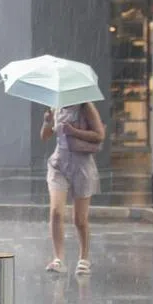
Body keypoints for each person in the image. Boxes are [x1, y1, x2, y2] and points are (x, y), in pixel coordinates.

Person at [41, 101, 105, 275]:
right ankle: (58, 259)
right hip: (58, 165)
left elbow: (99, 135)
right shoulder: (56, 107)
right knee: (56, 212)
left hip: (81, 165)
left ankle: (84, 259)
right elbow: (45, 136)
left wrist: (73, 131)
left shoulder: (85, 107)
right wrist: (47, 122)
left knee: (80, 219)